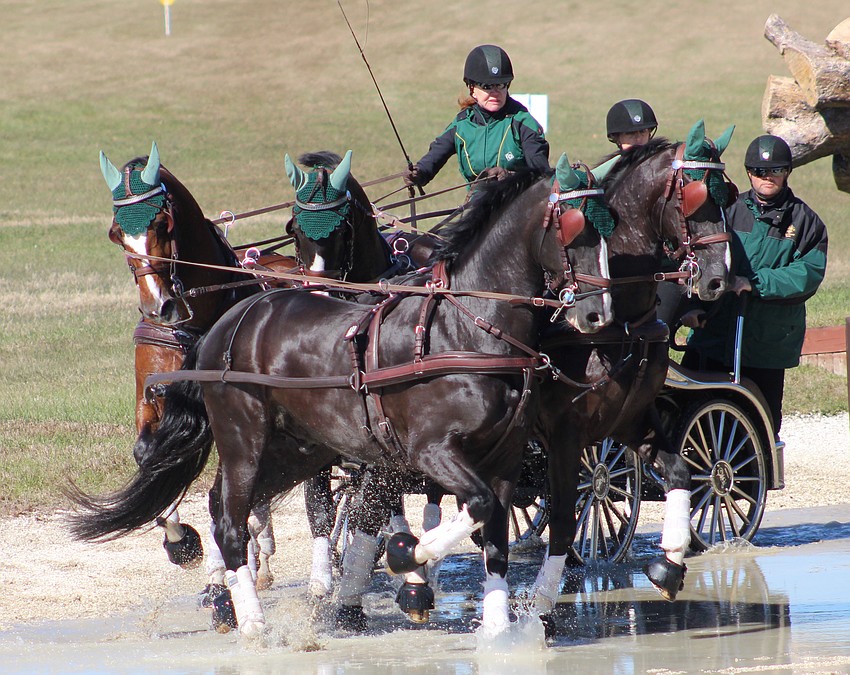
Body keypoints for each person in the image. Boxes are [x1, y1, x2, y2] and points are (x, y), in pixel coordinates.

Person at [680, 134, 828, 436]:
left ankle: (755, 480)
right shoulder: (727, 211)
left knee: (759, 425)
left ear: (787, 172)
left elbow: (808, 273)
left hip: (766, 344)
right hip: (714, 335)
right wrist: (693, 307)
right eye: (760, 171)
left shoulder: (805, 222)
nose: (767, 177)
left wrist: (755, 282)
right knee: (689, 417)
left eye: (775, 170)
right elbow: (699, 259)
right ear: (749, 172)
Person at [404, 44, 550, 188]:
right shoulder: (462, 124)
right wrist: (418, 172)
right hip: (478, 203)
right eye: (487, 86)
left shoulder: (522, 122)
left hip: (518, 202)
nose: (495, 92)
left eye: (501, 85)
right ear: (472, 88)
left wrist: (509, 176)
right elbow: (435, 156)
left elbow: (542, 175)